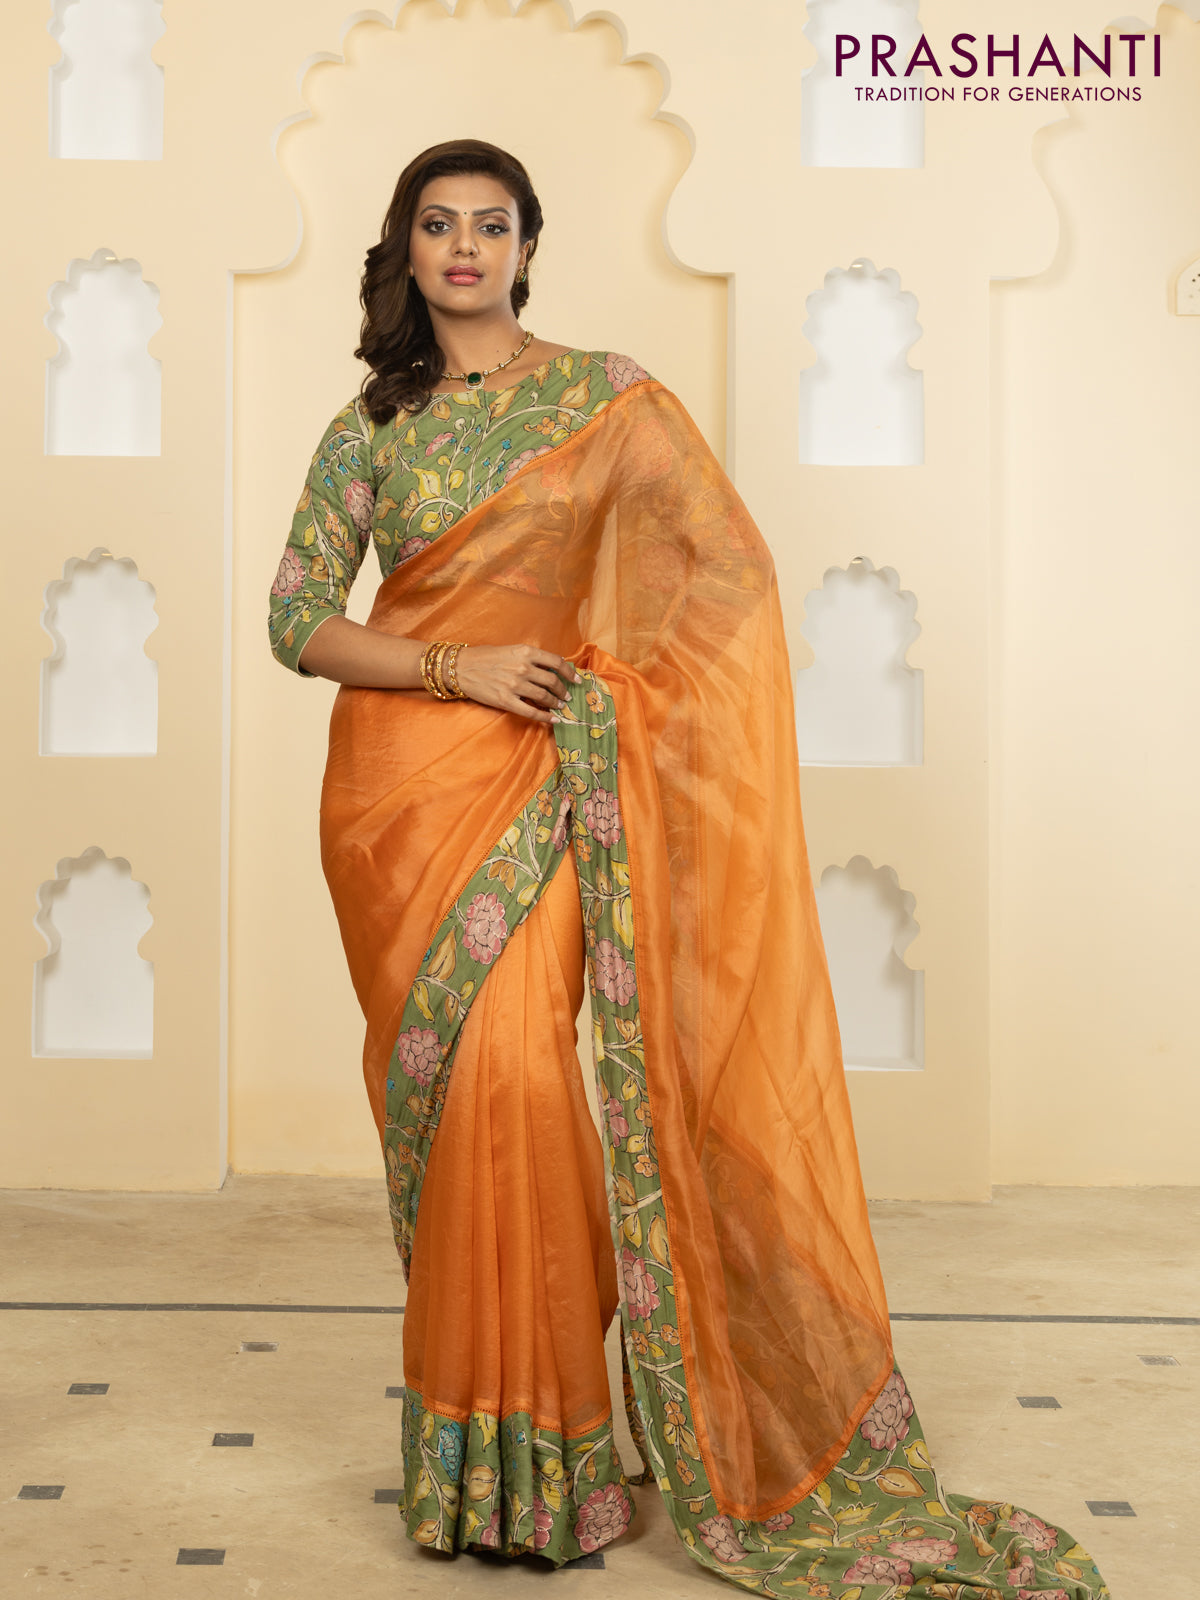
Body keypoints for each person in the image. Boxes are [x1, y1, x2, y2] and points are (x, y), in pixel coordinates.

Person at [268, 137, 1110, 1597]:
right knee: (462, 1106)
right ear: (404, 250)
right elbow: (297, 618)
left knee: (524, 1085)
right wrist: (457, 665)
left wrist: (603, 692)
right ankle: (482, 1458)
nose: (464, 247)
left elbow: (722, 579)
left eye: (491, 224)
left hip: (549, 780)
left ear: (528, 247)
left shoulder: (610, 401)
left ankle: (560, 1447)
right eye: (437, 225)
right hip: (398, 799)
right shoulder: (369, 430)